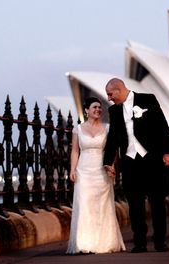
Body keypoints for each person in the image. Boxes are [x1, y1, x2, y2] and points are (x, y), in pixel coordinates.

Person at [103, 78, 169, 253]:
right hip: (129, 163)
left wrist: (167, 152)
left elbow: (162, 126)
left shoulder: (148, 100)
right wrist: (108, 161)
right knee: (135, 206)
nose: (109, 98)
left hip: (152, 161)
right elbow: (113, 137)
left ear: (119, 90)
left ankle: (160, 241)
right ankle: (139, 242)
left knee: (157, 203)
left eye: (110, 94)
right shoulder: (114, 111)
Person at [66, 96, 126, 254]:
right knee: (85, 205)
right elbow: (75, 151)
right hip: (84, 170)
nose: (98, 110)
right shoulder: (78, 129)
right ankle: (84, 243)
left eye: (100, 108)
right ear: (86, 110)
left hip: (101, 170)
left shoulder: (107, 128)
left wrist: (111, 166)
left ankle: (104, 243)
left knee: (102, 206)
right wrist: (72, 170)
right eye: (95, 107)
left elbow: (111, 150)